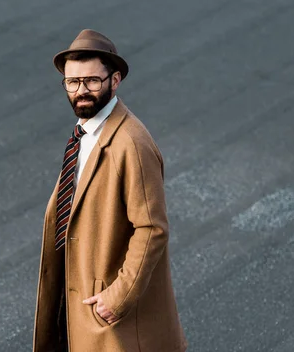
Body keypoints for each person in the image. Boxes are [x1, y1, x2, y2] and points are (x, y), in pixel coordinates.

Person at [32, 29, 188, 352]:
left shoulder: (131, 143)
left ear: (114, 81)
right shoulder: (83, 134)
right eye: (72, 82)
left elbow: (152, 228)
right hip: (76, 303)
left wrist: (117, 297)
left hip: (108, 318)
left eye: (92, 81)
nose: (81, 91)